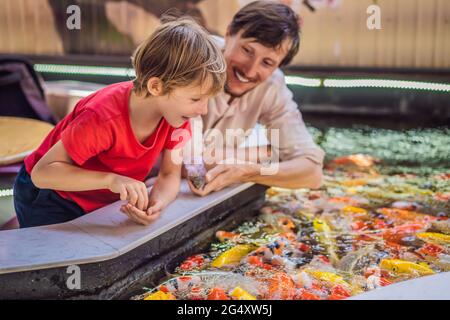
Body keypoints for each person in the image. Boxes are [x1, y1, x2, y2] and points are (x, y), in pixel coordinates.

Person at [13, 17, 226, 228]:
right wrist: (111, 180)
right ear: (156, 87)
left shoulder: (176, 117)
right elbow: (42, 174)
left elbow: (170, 174)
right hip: (51, 195)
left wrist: (157, 204)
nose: (204, 110)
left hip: (98, 196)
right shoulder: (103, 118)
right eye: (196, 99)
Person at [187, 0, 325, 196]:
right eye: (247, 50)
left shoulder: (273, 86)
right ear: (228, 34)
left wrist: (247, 171)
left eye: (267, 62)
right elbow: (184, 160)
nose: (250, 70)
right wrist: (263, 153)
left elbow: (312, 173)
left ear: (278, 66)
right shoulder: (190, 58)